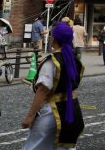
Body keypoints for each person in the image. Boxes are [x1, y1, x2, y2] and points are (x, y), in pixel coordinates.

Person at [22, 22, 85, 150]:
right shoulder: (74, 59)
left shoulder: (52, 61)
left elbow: (42, 91)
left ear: (55, 38)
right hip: (71, 108)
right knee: (64, 146)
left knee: (34, 147)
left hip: (51, 112)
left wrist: (29, 116)